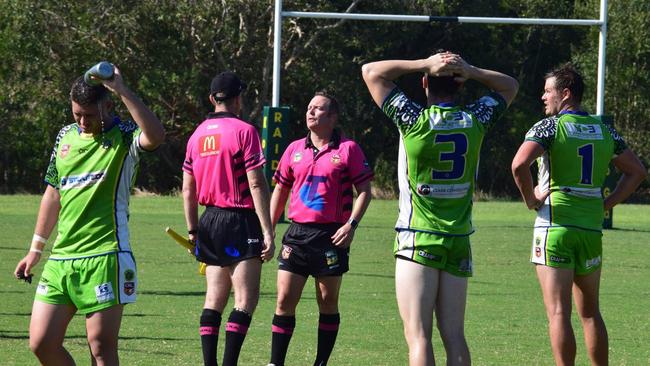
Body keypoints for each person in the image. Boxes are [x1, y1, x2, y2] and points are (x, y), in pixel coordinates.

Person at [362, 51, 518, 366]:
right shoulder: (476, 119)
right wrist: (471, 69)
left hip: (417, 237)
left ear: (424, 83)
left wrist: (423, 63)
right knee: (455, 336)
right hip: (458, 239)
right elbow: (509, 86)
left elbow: (371, 72)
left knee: (418, 336)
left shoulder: (413, 120)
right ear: (459, 86)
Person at [13, 64, 165, 365]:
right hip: (62, 258)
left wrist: (122, 89)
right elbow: (53, 193)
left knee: (100, 347)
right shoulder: (65, 136)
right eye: (76, 114)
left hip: (106, 255)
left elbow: (156, 136)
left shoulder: (124, 136)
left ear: (106, 106)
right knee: (41, 342)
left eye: (89, 115)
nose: (82, 122)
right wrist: (35, 249)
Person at [511, 63, 647, 366]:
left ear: (566, 93)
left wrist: (531, 199)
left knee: (558, 312)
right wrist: (607, 203)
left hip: (555, 227)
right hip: (590, 230)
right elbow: (637, 171)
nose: (543, 97)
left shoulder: (549, 127)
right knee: (590, 312)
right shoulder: (604, 128)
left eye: (548, 91)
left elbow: (519, 165)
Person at [267, 91, 373, 366]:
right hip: (297, 234)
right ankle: (275, 362)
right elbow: (280, 189)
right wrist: (268, 228)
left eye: (318, 108)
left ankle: (321, 363)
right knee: (283, 300)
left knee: (327, 301)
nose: (311, 112)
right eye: (309, 107)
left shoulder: (348, 149)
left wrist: (352, 225)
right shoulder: (294, 149)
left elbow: (364, 191)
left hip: (331, 237)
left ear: (333, 117)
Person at [182, 71, 275, 366]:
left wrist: (193, 230)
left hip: (209, 221)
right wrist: (268, 230)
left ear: (212, 99)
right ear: (238, 99)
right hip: (240, 220)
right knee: (245, 301)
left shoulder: (196, 135)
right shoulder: (245, 131)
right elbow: (257, 183)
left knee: (213, 300)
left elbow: (187, 189)